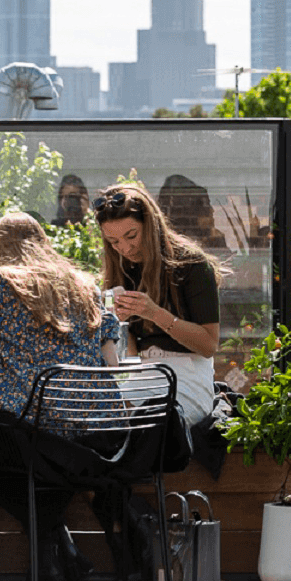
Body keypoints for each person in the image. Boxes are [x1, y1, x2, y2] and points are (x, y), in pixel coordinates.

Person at [0, 213, 124, 581]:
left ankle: (51, 561)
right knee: (20, 448)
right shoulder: (83, 284)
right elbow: (109, 338)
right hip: (98, 435)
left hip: (39, 434)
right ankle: (56, 563)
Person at [94, 182, 223, 426]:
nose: (125, 247)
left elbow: (208, 345)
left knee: (140, 422)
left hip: (189, 376)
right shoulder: (124, 269)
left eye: (131, 235)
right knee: (103, 417)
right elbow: (130, 356)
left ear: (151, 225)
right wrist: (117, 322)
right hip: (145, 374)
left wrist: (154, 313)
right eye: (113, 241)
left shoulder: (192, 264)